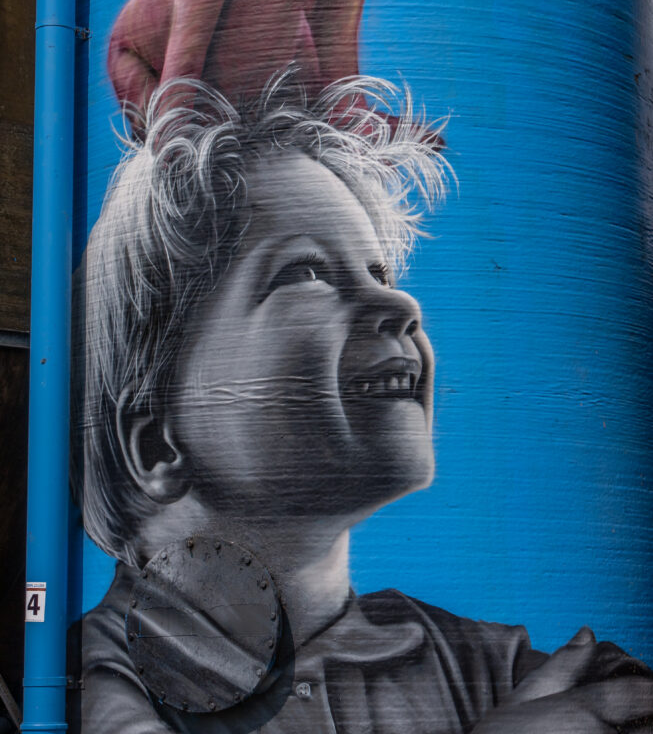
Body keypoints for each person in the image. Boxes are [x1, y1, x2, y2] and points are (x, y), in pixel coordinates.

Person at [69, 75, 652, 733]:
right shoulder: (98, 684)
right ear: (156, 443)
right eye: (305, 272)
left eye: (380, 274)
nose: (402, 305)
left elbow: (622, 698)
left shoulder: (461, 659)